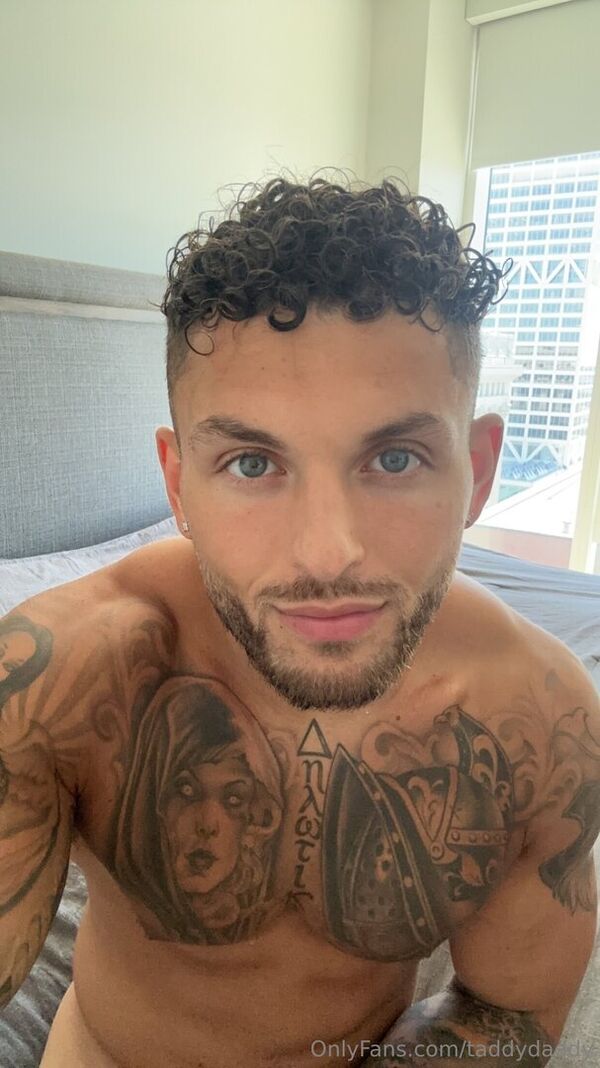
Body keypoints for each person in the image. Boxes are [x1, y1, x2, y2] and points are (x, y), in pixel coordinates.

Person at [1, 174, 599, 1067]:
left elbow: (508, 1012)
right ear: (178, 485)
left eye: (394, 459)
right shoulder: (64, 680)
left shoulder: (541, 721)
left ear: (476, 472)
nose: (329, 554)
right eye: (252, 464)